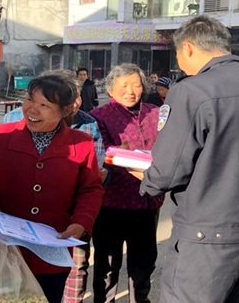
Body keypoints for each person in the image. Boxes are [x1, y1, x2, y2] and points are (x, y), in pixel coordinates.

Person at [140, 15, 239, 303]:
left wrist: (147, 178)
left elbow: (168, 170)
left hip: (206, 231)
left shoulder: (190, 90)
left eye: (178, 53)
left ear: (188, 48)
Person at [0, 72, 105, 303]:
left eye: (44, 105)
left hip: (51, 252)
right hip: (2, 248)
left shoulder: (81, 143)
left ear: (66, 110)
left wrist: (81, 222)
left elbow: (90, 189)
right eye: (30, 99)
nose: (32, 110)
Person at [89, 63, 162, 303]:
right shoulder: (98, 116)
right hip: (111, 202)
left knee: (144, 261)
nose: (130, 91)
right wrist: (117, 154)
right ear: (110, 90)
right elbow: (97, 157)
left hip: (147, 200)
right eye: (124, 85)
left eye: (136, 85)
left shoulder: (156, 114)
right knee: (107, 264)